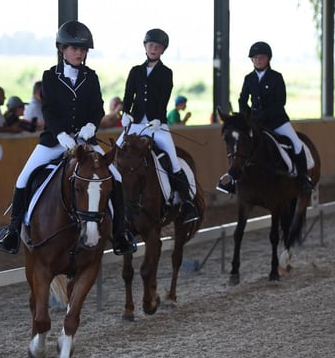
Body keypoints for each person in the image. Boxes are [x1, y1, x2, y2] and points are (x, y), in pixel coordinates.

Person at [0, 20, 135, 256]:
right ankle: (13, 231)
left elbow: (97, 107)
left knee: (116, 177)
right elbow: (48, 110)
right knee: (23, 178)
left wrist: (91, 124)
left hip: (84, 143)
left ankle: (120, 233)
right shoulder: (50, 76)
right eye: (74, 48)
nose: (79, 53)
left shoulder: (91, 77)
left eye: (83, 50)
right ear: (62, 49)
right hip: (54, 141)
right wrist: (60, 134)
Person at [119, 28, 200, 224]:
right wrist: (125, 113)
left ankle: (187, 202)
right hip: (136, 124)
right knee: (116, 155)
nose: (153, 48)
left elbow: (164, 98)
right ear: (145, 47)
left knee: (172, 158)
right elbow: (129, 95)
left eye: (157, 46)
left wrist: (157, 118)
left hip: (157, 125)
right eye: (151, 45)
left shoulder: (166, 73)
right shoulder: (135, 71)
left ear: (162, 50)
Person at [218, 41, 313, 195]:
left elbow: (280, 101)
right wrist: (246, 116)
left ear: (268, 58)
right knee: (240, 145)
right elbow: (242, 99)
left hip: (277, 121)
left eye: (261, 57)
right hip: (255, 122)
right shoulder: (249, 78)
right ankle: (233, 182)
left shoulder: (276, 77)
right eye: (255, 58)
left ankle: (303, 178)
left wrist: (262, 116)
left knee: (296, 144)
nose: (258, 60)